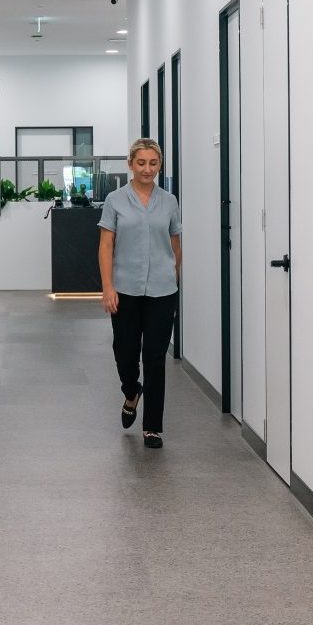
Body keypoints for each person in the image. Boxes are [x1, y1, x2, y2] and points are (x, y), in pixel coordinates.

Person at [98, 139, 181, 449]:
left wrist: (175, 276)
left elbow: (175, 243)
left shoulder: (169, 201)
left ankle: (152, 427)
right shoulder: (115, 200)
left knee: (155, 357)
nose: (147, 169)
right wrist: (108, 286)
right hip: (125, 289)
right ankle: (131, 391)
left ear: (160, 165)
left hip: (162, 290)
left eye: (153, 163)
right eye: (141, 163)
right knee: (125, 352)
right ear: (130, 164)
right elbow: (106, 245)